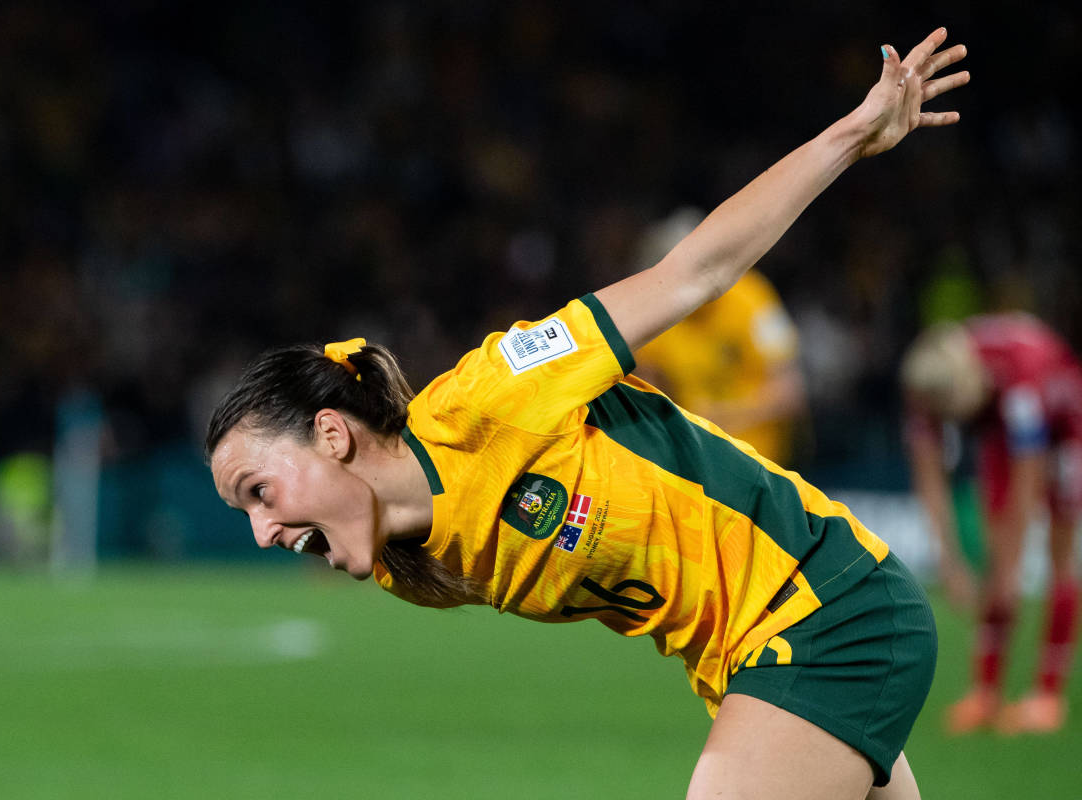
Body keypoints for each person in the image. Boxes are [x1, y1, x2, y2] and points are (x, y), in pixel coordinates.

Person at [207, 28, 968, 799]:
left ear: (333, 434)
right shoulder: (414, 569)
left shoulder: (494, 396)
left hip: (821, 609)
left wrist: (852, 134)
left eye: (258, 492)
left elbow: (692, 272)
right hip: (751, 659)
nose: (262, 533)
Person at [901, 313, 1081, 735]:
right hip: (1003, 430)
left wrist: (1011, 566)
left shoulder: (1020, 376)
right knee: (993, 546)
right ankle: (986, 692)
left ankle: (1047, 694)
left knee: (1058, 553)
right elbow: (928, 474)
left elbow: (1028, 473)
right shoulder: (926, 383)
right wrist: (948, 560)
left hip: (1067, 425)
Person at [632, 207, 806, 466]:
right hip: (695, 466)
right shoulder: (660, 313)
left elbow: (790, 393)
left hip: (760, 465)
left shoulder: (752, 297)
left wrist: (719, 418)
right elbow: (644, 396)